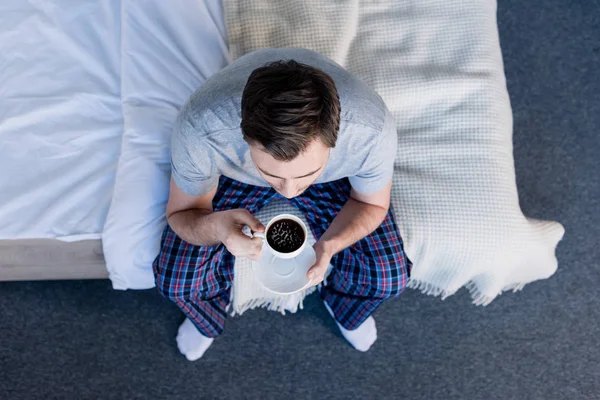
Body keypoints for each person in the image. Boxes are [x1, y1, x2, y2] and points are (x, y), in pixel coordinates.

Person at [153, 48, 411, 361]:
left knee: (389, 276)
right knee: (176, 281)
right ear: (245, 136)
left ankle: (342, 305)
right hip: (235, 176)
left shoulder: (370, 132)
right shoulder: (202, 130)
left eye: (305, 174)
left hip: (335, 179)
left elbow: (371, 204)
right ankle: (209, 316)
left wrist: (329, 246)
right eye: (273, 173)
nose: (289, 193)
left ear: (335, 138)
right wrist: (217, 228)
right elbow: (181, 214)